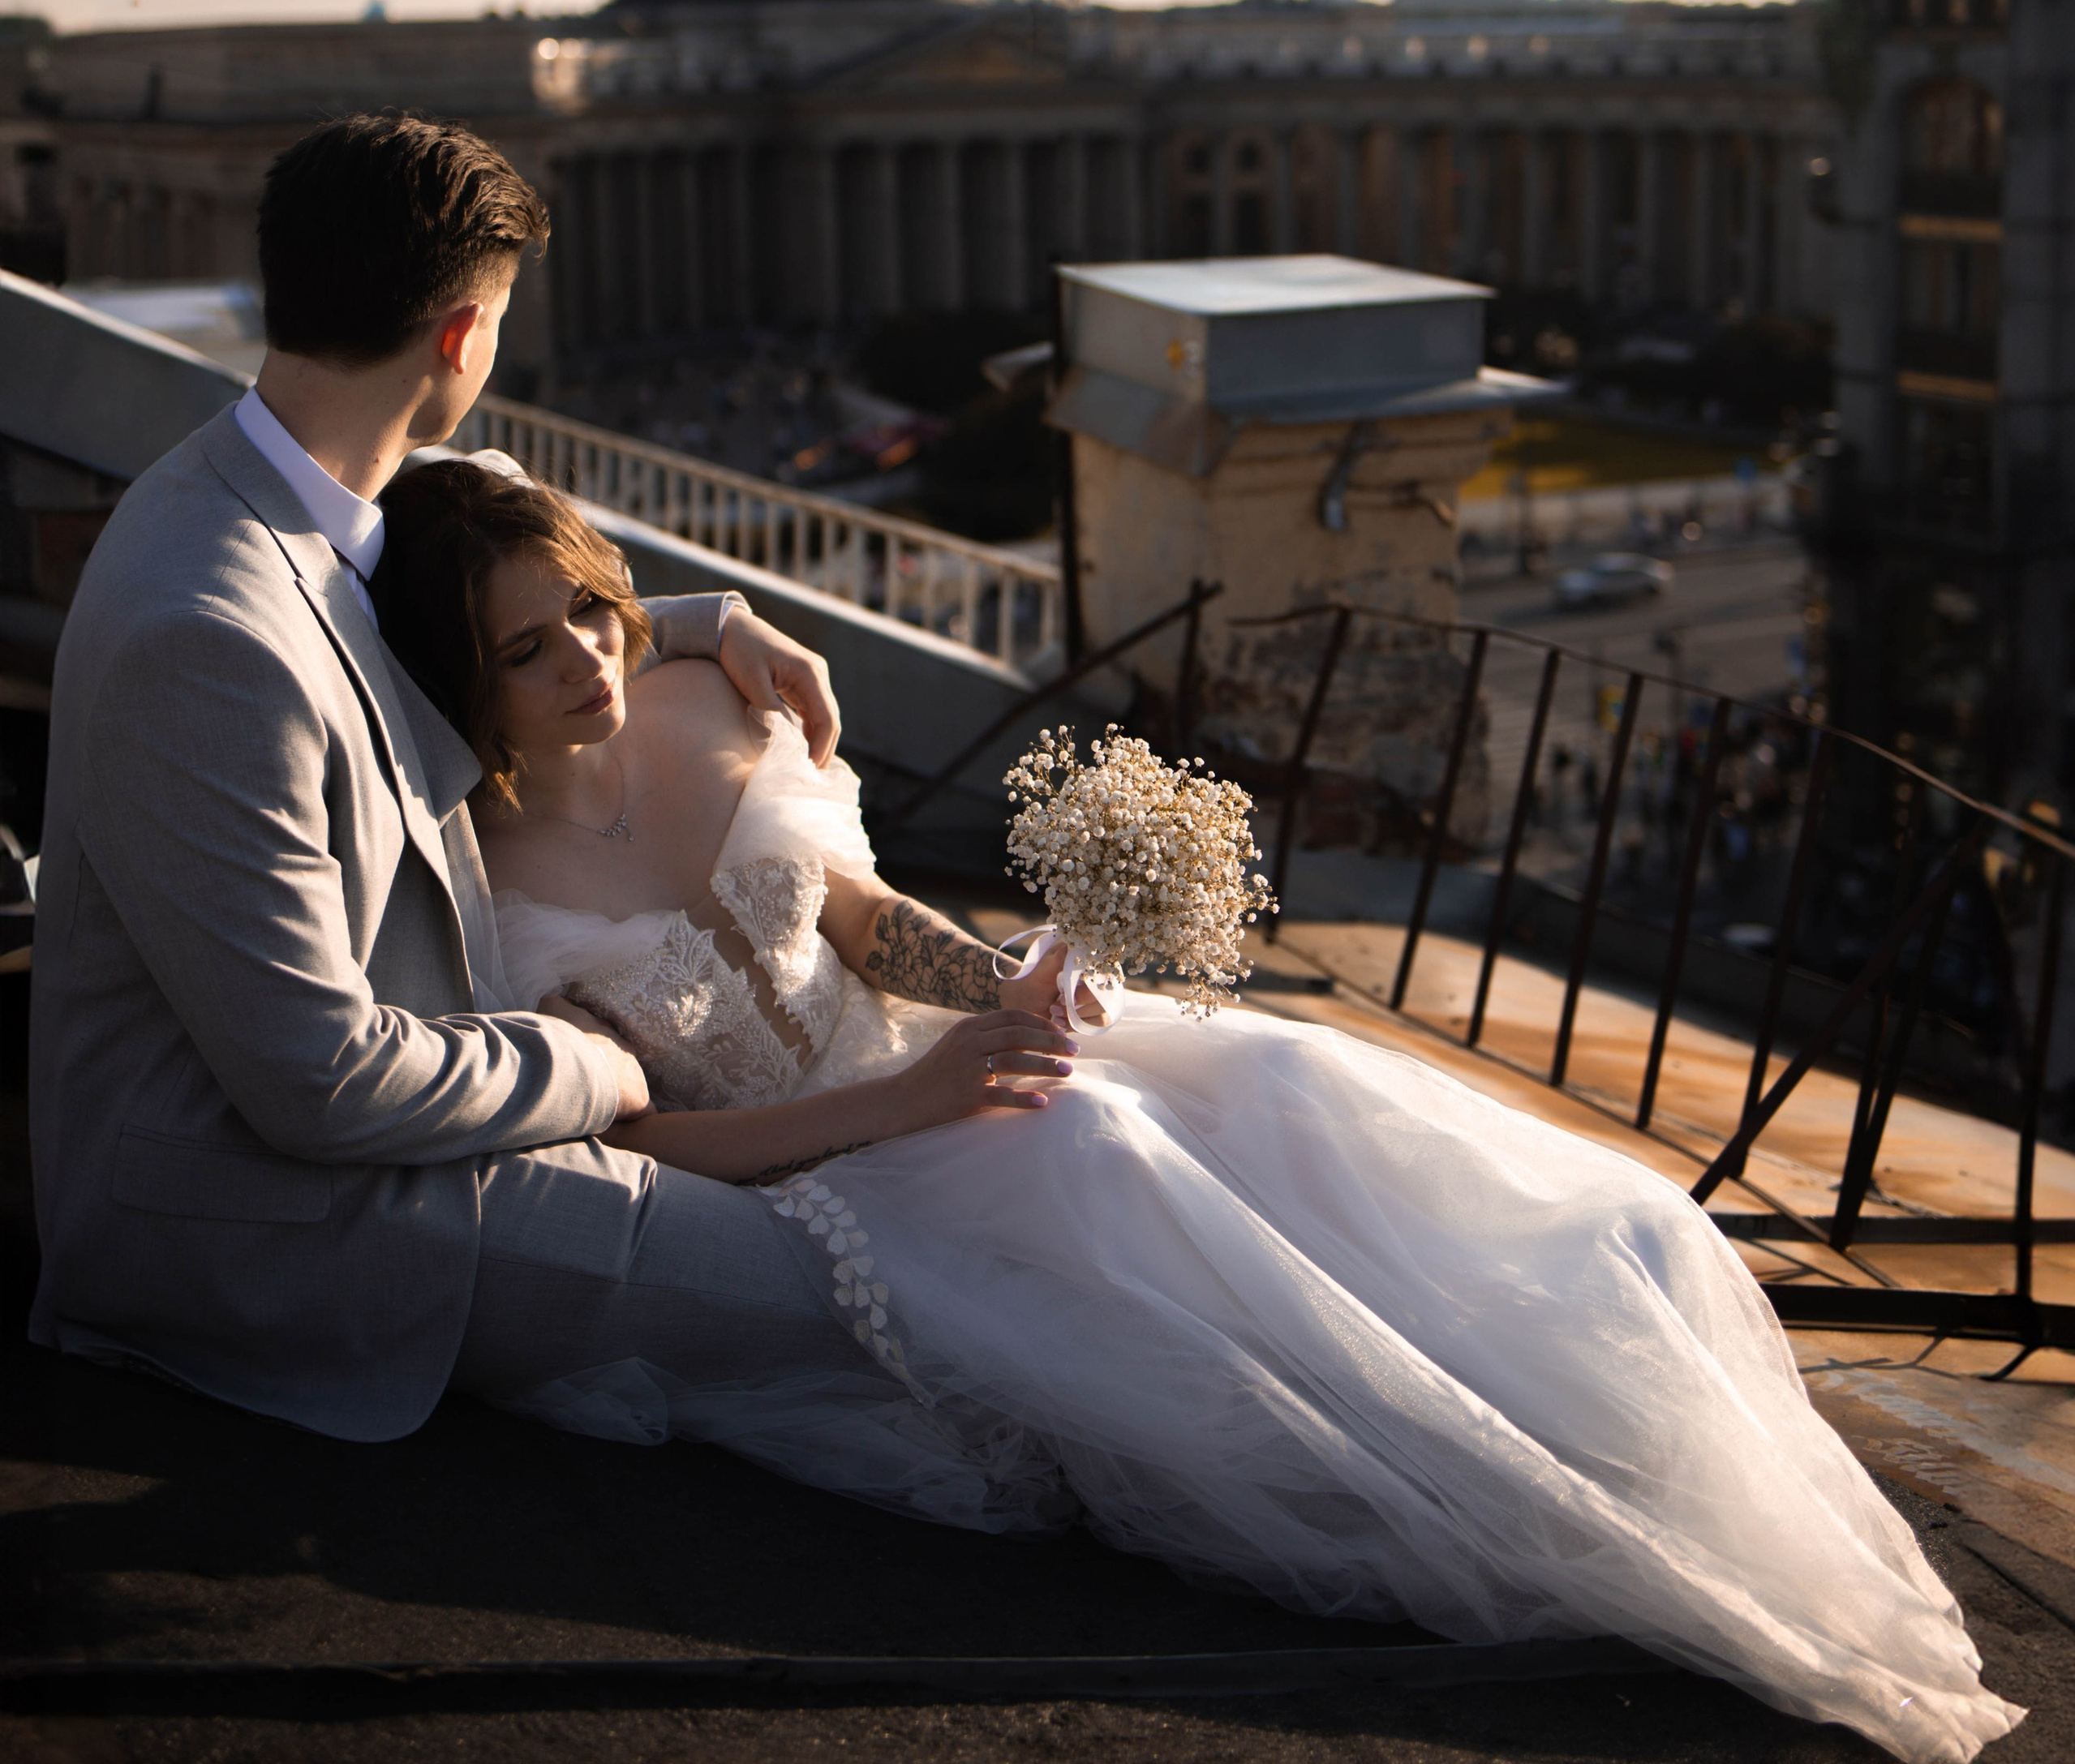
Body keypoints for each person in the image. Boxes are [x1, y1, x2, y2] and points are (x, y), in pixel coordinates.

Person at [372, 455, 2019, 1764]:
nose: (589, 656)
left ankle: (1572, 1402)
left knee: (1279, 1076)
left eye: (593, 608)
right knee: (1087, 1152)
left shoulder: (698, 691)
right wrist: (910, 1103)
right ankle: (1459, 1474)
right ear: (464, 676)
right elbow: (639, 1137)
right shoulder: (477, 883)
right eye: (528, 646)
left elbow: (860, 915)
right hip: (819, 1168)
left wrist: (998, 973)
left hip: (936, 1054)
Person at [28, 112, 894, 1445]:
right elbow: (316, 1084)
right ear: (460, 335)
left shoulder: (268, 491)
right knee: (868, 1304)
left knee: (878, 1247)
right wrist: (593, 1072)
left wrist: (697, 618)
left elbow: (405, 640)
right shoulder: (203, 638)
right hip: (274, 1209)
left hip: (422, 1114)